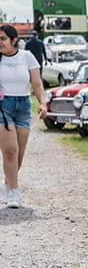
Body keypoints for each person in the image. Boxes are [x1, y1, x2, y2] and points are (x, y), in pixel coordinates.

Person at [0, 24, 47, 209]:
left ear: (14, 40)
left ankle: (8, 181)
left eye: (3, 39)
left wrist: (43, 103)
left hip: (24, 105)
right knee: (10, 150)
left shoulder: (27, 57)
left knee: (19, 151)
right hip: (3, 106)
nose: (0, 42)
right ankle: (14, 192)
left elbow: (37, 83)